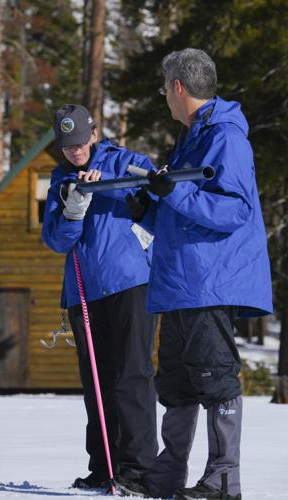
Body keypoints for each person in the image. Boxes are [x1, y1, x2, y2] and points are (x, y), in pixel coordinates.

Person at [118, 48, 273, 500]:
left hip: (209, 280)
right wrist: (147, 210)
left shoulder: (225, 137)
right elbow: (183, 209)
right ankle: (167, 475)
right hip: (180, 282)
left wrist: (174, 196)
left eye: (165, 88)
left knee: (215, 377)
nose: (164, 96)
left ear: (179, 87)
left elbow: (233, 210)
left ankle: (223, 479)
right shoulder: (191, 137)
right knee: (177, 382)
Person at [42, 104, 158, 491]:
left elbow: (157, 202)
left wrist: (141, 200)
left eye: (79, 142)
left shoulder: (126, 162)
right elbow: (57, 241)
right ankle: (104, 465)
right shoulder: (61, 180)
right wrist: (74, 210)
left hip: (128, 283)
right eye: (66, 146)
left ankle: (138, 469)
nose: (75, 151)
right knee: (97, 381)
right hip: (84, 292)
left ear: (94, 133)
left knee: (132, 375)